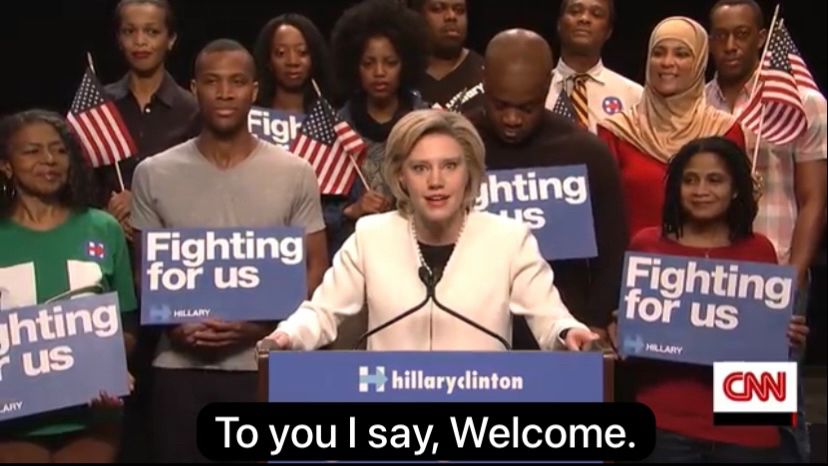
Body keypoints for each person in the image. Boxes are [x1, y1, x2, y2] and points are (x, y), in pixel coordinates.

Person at [130, 39, 328, 462]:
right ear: (193, 88)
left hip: (264, 365)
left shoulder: (295, 172)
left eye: (236, 82)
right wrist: (176, 326)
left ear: (254, 90)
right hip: (178, 372)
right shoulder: (153, 174)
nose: (224, 93)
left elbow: (316, 268)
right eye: (212, 82)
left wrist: (262, 329)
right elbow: (144, 273)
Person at [261, 109, 598, 352]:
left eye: (450, 166)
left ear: (469, 172)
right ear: (401, 176)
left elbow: (551, 319)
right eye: (420, 167)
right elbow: (321, 313)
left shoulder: (509, 239)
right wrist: (287, 336)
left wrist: (569, 332)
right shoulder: (370, 236)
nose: (436, 181)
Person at [625, 136, 809, 463]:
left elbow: (765, 345)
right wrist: (625, 326)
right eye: (690, 180)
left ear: (736, 188)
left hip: (744, 426)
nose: (700, 191)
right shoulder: (647, 246)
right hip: (665, 421)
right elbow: (634, 340)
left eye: (715, 180)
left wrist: (786, 335)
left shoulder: (760, 250)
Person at [706, 1, 827, 461]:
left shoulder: (801, 102)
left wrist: (794, 275)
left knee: (765, 412)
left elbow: (815, 198)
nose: (731, 45)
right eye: (721, 35)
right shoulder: (698, 101)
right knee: (717, 414)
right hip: (713, 278)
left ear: (761, 37)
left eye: (741, 34)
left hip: (774, 270)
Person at [466, 28, 628, 348]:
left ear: (547, 87)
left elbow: (613, 251)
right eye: (501, 105)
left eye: (527, 108)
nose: (512, 119)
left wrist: (594, 321)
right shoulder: (454, 146)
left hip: (564, 335)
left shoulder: (586, 152)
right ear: (484, 82)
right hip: (470, 332)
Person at [0, 110, 136, 462]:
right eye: (32, 151)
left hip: (92, 416)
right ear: (6, 166)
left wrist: (111, 362)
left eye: (58, 150)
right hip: (12, 422)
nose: (49, 160)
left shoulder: (104, 229)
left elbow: (128, 324)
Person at [597, 16, 745, 240]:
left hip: (705, 268)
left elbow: (738, 213)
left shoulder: (724, 130)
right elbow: (603, 216)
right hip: (632, 266)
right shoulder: (617, 132)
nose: (667, 62)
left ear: (699, 62)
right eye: (658, 53)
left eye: (681, 54)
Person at [324, 0, 431, 259]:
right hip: (357, 257)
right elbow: (311, 214)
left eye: (390, 62)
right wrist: (352, 210)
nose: (379, 72)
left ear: (405, 64)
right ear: (354, 66)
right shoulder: (336, 128)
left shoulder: (426, 123)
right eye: (368, 63)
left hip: (418, 254)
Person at [101, 0, 199, 241]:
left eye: (151, 32)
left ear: (171, 39)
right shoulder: (100, 107)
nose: (140, 41)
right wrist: (107, 214)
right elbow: (79, 180)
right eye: (129, 31)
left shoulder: (193, 110)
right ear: (119, 39)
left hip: (174, 244)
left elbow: (204, 184)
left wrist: (143, 203)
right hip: (108, 241)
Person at [545, 0, 643, 134]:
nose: (584, 19)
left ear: (608, 31)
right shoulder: (536, 90)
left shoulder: (634, 96)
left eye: (596, 14)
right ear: (559, 24)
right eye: (575, 11)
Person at [253, 13, 336, 113]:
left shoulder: (331, 119)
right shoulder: (251, 117)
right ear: (268, 60)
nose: (293, 62)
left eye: (302, 52)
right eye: (281, 53)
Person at [410, 0, 485, 111]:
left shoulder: (487, 74)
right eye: (438, 8)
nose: (451, 16)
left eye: (459, 10)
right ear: (418, 15)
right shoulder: (400, 76)